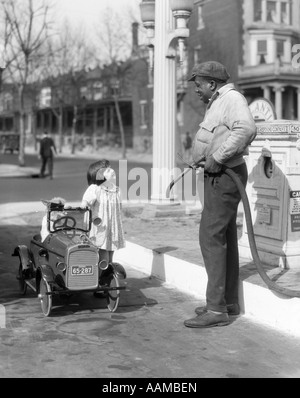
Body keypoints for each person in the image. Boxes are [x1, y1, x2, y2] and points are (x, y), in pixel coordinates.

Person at [184, 61, 257, 329]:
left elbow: (246, 129)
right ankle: (226, 302)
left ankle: (216, 310)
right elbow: (221, 134)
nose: (196, 90)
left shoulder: (231, 98)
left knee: (210, 237)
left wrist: (217, 156)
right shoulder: (218, 101)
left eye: (198, 84)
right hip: (219, 176)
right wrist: (205, 156)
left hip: (226, 177)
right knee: (223, 237)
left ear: (212, 84)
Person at [81, 162, 125, 267]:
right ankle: (100, 277)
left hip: (112, 227)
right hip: (100, 227)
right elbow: (85, 202)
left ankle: (108, 276)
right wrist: (84, 205)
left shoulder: (117, 190)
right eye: (108, 170)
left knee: (110, 256)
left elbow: (118, 208)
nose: (112, 171)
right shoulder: (95, 189)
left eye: (111, 169)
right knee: (103, 257)